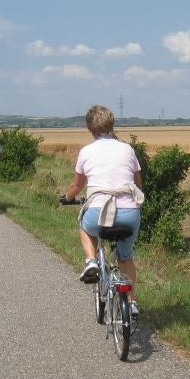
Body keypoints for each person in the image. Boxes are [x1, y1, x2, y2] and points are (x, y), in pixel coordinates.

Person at [63, 105, 143, 318]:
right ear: (112, 125)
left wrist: (67, 198)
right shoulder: (127, 149)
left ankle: (91, 262)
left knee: (85, 227)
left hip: (98, 211)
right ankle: (132, 302)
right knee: (125, 258)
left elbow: (76, 185)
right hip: (129, 212)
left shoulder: (86, 151)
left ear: (90, 128)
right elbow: (138, 185)